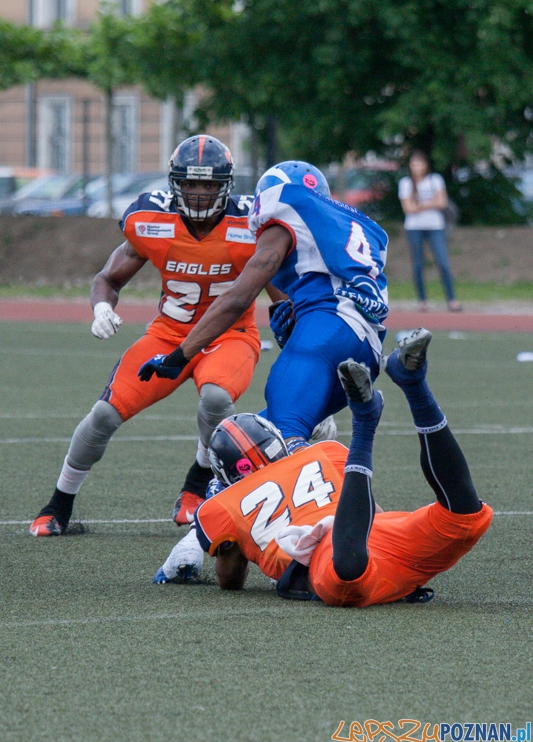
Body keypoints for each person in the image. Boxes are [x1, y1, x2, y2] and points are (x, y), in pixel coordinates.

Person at [29, 134, 280, 537]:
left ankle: (195, 488)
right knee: (103, 415)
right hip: (167, 335)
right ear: (174, 183)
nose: (199, 194)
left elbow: (280, 292)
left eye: (209, 185)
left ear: (226, 186)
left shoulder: (250, 225)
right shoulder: (152, 221)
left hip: (230, 336)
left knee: (216, 399)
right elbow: (108, 277)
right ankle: (58, 504)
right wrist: (102, 306)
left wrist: (296, 329)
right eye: (191, 184)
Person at [155, 329, 492, 606]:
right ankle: (414, 386)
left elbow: (229, 581)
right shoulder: (324, 450)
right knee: (464, 519)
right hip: (380, 538)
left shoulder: (220, 505)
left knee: (346, 577)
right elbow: (371, 511)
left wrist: (235, 547)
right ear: (275, 441)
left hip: (336, 554)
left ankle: (364, 423)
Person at [138, 160, 390, 455]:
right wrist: (297, 331)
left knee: (284, 442)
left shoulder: (288, 207)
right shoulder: (354, 223)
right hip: (368, 348)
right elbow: (338, 290)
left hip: (326, 331)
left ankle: (342, 496)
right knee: (247, 447)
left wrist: (179, 356)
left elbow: (238, 297)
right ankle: (356, 492)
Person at [398, 151, 461, 313]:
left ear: (425, 165)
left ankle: (452, 299)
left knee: (443, 263)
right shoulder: (405, 183)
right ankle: (422, 300)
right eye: (413, 164)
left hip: (435, 226)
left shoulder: (435, 180)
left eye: (419, 163)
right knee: (418, 265)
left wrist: (420, 205)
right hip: (414, 228)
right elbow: (408, 208)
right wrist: (429, 203)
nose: (416, 167)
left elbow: (442, 202)